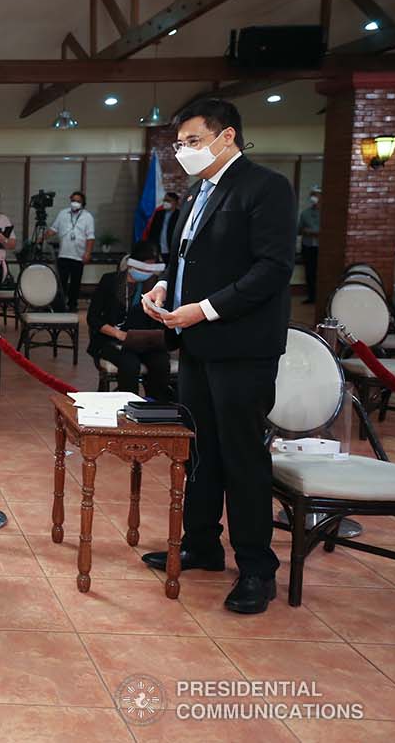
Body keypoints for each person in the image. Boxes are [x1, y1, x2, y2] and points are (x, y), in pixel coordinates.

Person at [140, 98, 295, 615]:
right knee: (200, 451)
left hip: (241, 347)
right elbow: (186, 256)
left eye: (191, 142)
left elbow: (271, 269)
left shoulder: (264, 187)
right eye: (178, 144)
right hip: (199, 346)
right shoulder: (197, 193)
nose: (182, 152)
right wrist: (166, 285)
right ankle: (201, 544)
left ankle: (255, 567)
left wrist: (203, 310)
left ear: (226, 137)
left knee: (241, 456)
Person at [87, 240, 170, 400]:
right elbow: (94, 318)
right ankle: (129, 408)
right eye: (146, 266)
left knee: (160, 362)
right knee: (130, 365)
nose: (149, 272)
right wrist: (119, 334)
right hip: (111, 340)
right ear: (134, 264)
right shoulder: (110, 281)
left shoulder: (154, 287)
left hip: (144, 341)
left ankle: (156, 407)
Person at [45, 190, 94, 310]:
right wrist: (42, 236)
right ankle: (60, 305)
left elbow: (90, 237)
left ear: (83, 203)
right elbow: (53, 229)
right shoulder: (63, 214)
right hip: (64, 254)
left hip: (78, 255)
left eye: (78, 201)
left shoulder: (87, 217)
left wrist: (88, 253)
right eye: (73, 200)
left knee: (75, 283)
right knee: (61, 282)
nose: (75, 203)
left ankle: (72, 305)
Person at [144, 191, 181, 263]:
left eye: (168, 200)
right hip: (158, 249)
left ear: (175, 202)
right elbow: (152, 231)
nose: (165, 202)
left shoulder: (179, 215)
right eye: (164, 200)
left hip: (172, 249)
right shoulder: (159, 214)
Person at [299, 185, 321, 303]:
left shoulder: (327, 212)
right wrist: (305, 231)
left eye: (316, 194)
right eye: (312, 195)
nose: (314, 197)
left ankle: (320, 297)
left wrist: (318, 233)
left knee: (320, 272)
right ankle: (311, 296)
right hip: (308, 246)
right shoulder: (305, 213)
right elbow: (298, 229)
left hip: (321, 248)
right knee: (309, 272)